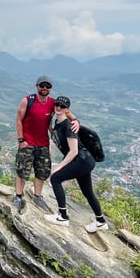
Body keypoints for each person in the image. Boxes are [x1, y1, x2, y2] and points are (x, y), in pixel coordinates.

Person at [13, 76, 78, 213]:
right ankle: (18, 197)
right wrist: (21, 140)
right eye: (42, 85)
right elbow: (19, 120)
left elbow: (66, 111)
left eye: (47, 86)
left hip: (43, 144)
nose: (44, 88)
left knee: (42, 172)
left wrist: (75, 120)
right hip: (27, 143)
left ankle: (37, 196)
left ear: (50, 89)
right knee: (22, 171)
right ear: (37, 86)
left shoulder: (53, 103)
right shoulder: (27, 101)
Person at [44, 95, 108, 233]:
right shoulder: (59, 122)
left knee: (55, 178)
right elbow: (57, 134)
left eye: (62, 106)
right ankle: (101, 221)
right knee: (88, 192)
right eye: (57, 105)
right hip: (84, 161)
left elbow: (73, 151)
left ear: (67, 109)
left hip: (82, 160)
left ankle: (62, 216)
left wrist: (59, 167)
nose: (59, 107)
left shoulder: (69, 126)